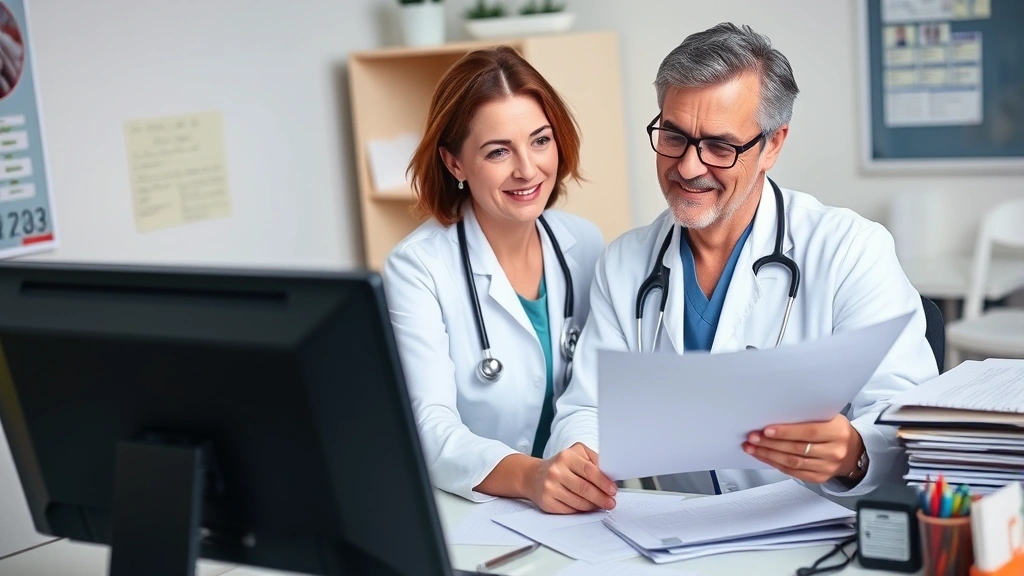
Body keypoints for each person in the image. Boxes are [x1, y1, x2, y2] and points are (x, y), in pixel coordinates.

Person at [545, 23, 938, 498]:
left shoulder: (850, 250)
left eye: (719, 146)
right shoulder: (626, 263)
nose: (689, 167)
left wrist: (853, 453)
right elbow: (589, 407)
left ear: (772, 144)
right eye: (673, 137)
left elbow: (905, 421)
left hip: (818, 532)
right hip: (681, 537)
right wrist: (578, 459)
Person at [383, 46, 618, 513]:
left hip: (578, 510)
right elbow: (427, 426)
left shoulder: (585, 244)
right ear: (455, 164)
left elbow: (592, 395)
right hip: (479, 512)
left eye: (540, 140)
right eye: (498, 151)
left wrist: (574, 466)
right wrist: (532, 477)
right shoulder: (417, 267)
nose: (527, 169)